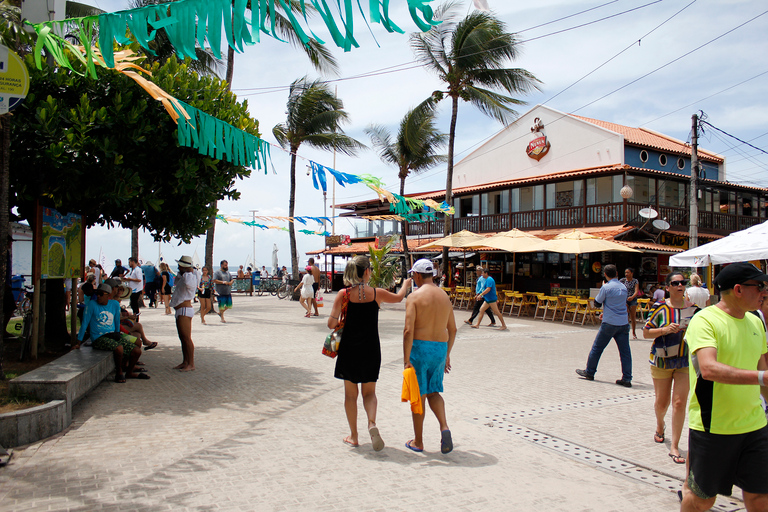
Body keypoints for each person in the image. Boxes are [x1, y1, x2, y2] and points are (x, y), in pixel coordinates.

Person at [680, 262, 768, 511]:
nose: (764, 291)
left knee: (760, 498)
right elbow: (708, 369)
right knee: (701, 500)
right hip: (713, 428)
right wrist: (762, 377)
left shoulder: (756, 322)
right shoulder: (705, 320)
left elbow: (761, 369)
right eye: (759, 286)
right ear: (738, 289)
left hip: (755, 427)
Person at [327, 255, 411, 450]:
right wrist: (406, 283)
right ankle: (372, 423)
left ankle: (354, 436)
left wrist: (338, 319)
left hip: (349, 350)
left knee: (350, 395)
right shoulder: (377, 293)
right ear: (366, 272)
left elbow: (331, 324)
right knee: (369, 393)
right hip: (371, 348)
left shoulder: (343, 294)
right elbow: (399, 297)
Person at [643, 272, 699, 465]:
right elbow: (646, 333)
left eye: (682, 283)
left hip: (684, 361)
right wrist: (665, 330)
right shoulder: (660, 308)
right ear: (668, 287)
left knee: (679, 403)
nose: (680, 286)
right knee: (662, 403)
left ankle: (674, 445)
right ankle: (660, 425)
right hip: (662, 361)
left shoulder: (695, 310)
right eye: (675, 283)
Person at [403, 259, 457, 454]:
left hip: (420, 349)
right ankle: (444, 427)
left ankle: (418, 441)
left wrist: (406, 358)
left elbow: (408, 331)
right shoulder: (444, 297)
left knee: (419, 395)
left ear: (417, 275)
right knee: (434, 392)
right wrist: (447, 355)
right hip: (440, 349)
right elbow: (453, 329)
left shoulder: (414, 297)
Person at [75, 283, 147, 383]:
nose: (98, 296)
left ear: (107, 295)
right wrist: (78, 342)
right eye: (97, 294)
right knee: (119, 348)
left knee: (137, 349)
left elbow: (117, 322)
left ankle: (129, 371)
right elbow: (84, 323)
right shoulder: (92, 304)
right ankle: (119, 372)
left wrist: (120, 335)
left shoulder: (114, 304)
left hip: (113, 334)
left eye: (101, 294)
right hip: (99, 337)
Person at [575, 264, 633, 387]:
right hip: (623, 323)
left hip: (609, 323)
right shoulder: (623, 287)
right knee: (625, 352)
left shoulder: (606, 287)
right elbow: (620, 303)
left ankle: (590, 372)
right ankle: (627, 378)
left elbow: (596, 303)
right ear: (617, 273)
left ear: (605, 275)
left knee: (597, 348)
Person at [170, 256, 200, 372]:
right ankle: (185, 361)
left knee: (186, 338)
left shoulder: (190, 277)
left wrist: (188, 271)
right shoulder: (183, 276)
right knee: (182, 337)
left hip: (184, 309)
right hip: (180, 310)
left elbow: (190, 284)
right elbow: (176, 281)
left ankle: (191, 363)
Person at [620, 267, 640, 339]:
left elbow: (636, 291)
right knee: (626, 315)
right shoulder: (622, 280)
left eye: (628, 272)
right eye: (625, 273)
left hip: (633, 299)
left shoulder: (635, 281)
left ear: (632, 273)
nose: (626, 274)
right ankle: (626, 331)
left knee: (633, 316)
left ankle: (634, 333)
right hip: (625, 299)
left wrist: (632, 297)